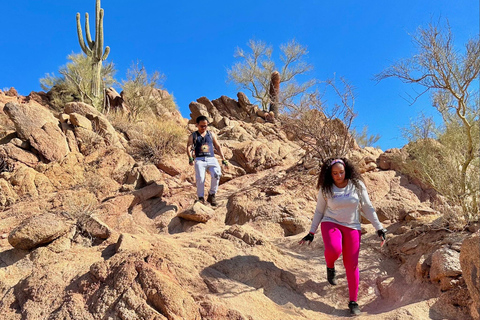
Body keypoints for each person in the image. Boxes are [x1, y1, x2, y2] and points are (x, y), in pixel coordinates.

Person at [299, 157, 387, 316]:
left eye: (341, 172)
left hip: (353, 226)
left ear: (346, 170)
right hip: (330, 222)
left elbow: (367, 207)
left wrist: (379, 228)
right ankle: (330, 265)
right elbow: (319, 211)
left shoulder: (357, 185)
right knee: (334, 249)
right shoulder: (326, 189)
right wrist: (312, 232)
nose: (339, 176)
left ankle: (353, 302)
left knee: (351, 264)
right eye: (335, 173)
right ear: (330, 175)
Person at [186, 115, 228, 206]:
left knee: (217, 174)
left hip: (211, 158)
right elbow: (189, 146)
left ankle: (212, 195)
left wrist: (223, 159)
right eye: (202, 126)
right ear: (197, 125)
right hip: (199, 159)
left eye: (205, 126)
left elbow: (217, 146)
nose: (204, 128)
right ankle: (201, 198)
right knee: (200, 178)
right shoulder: (193, 136)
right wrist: (190, 158)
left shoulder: (211, 134)